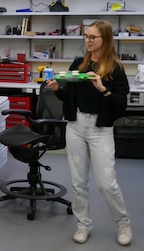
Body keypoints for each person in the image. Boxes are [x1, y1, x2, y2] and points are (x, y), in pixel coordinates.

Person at [46, 20, 131, 246]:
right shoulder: (78, 64)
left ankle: (123, 223)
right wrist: (58, 91)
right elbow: (69, 98)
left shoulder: (115, 69)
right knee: (78, 182)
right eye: (86, 36)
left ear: (106, 39)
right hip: (75, 127)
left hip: (100, 129)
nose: (88, 40)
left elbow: (121, 103)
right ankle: (83, 224)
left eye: (93, 37)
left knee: (107, 183)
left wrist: (103, 89)